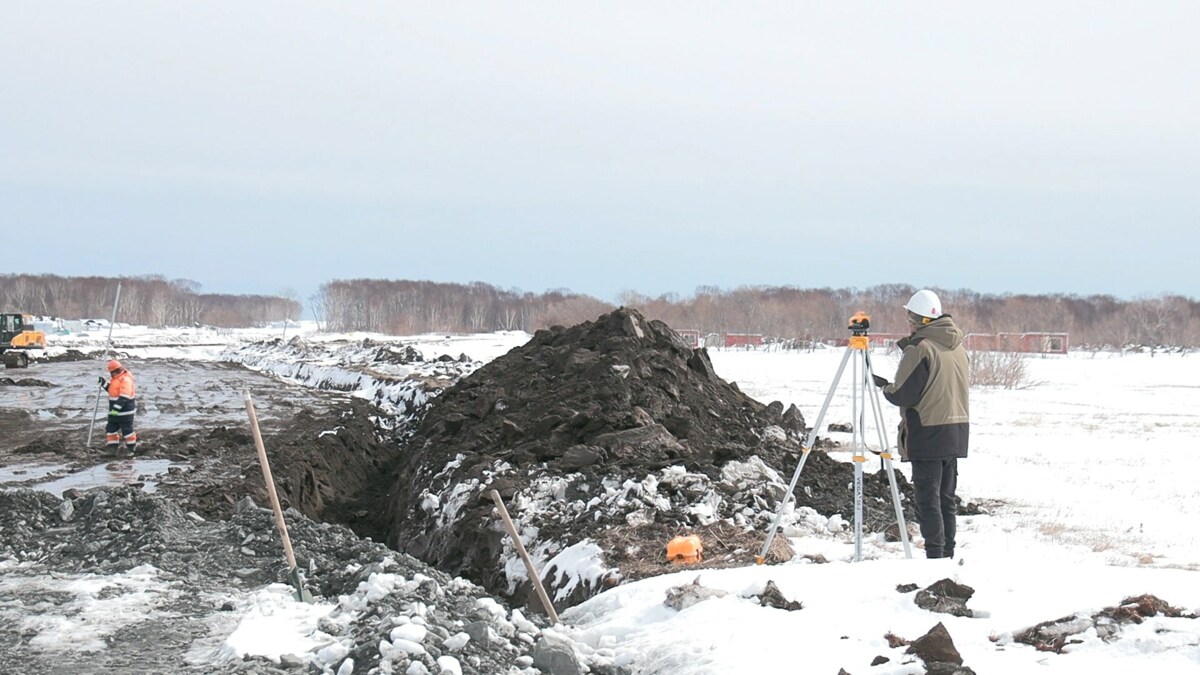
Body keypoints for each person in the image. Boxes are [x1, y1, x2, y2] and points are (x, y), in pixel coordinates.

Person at [872, 290, 969, 559]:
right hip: (956, 432)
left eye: (910, 318)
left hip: (927, 432)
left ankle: (936, 557)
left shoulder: (921, 348)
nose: (908, 324)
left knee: (928, 500)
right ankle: (946, 553)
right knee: (945, 498)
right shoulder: (958, 347)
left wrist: (885, 388)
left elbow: (903, 393)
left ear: (918, 319)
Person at [98, 359, 138, 454]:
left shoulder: (125, 380)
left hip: (125, 412)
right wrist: (103, 383)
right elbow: (112, 391)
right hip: (114, 412)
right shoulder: (115, 379)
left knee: (127, 432)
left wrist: (116, 409)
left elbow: (124, 396)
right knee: (111, 430)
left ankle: (131, 449)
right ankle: (112, 449)